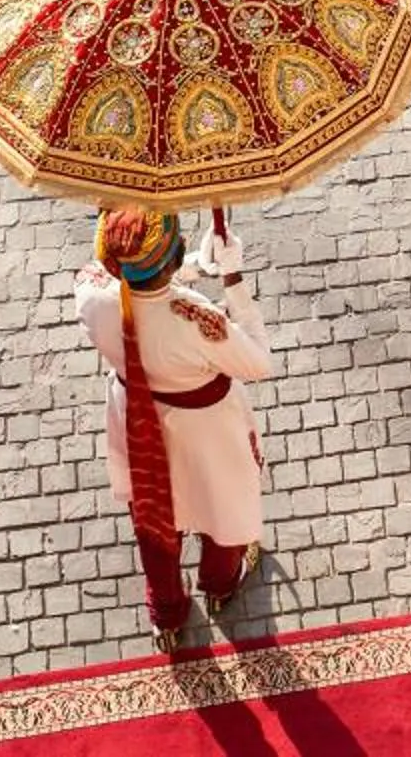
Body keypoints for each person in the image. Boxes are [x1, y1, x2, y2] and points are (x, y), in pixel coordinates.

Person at [75, 206, 274, 652]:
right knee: (220, 504)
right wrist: (232, 276)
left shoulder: (89, 290)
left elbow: (135, 289)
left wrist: (193, 268)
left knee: (153, 517)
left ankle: (166, 612)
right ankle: (221, 583)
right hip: (205, 430)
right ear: (172, 257)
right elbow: (259, 362)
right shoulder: (196, 319)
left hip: (135, 418)